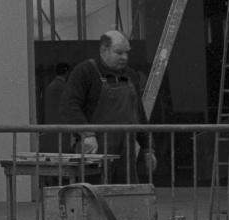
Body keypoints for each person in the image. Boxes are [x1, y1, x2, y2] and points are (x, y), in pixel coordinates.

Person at [56, 30, 156, 183]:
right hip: (95, 149)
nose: (124, 57)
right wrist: (86, 134)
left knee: (125, 194)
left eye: (127, 53)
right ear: (103, 50)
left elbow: (139, 113)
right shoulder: (85, 72)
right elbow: (68, 106)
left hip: (126, 151)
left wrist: (148, 148)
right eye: (119, 53)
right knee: (94, 195)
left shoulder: (131, 75)